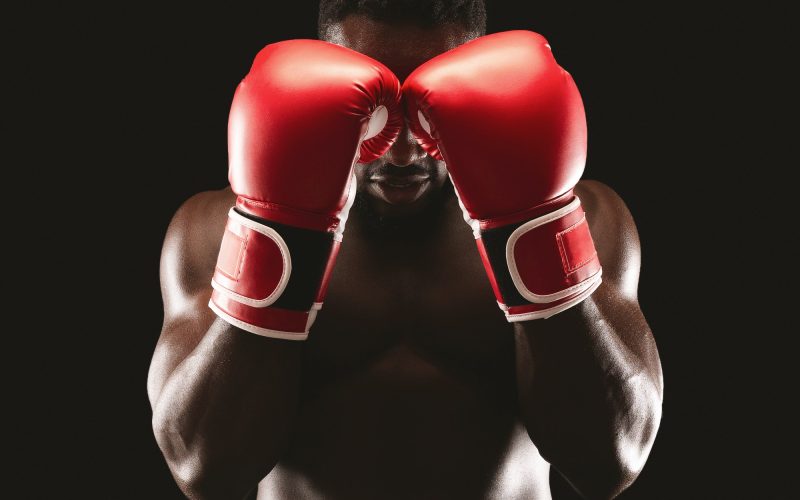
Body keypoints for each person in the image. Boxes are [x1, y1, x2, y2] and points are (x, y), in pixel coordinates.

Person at [148, 1, 664, 498]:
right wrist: (277, 231)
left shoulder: (581, 221)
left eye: (424, 111)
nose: (401, 152)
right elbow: (203, 471)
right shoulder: (220, 229)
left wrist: (532, 225)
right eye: (377, 111)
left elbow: (612, 462)